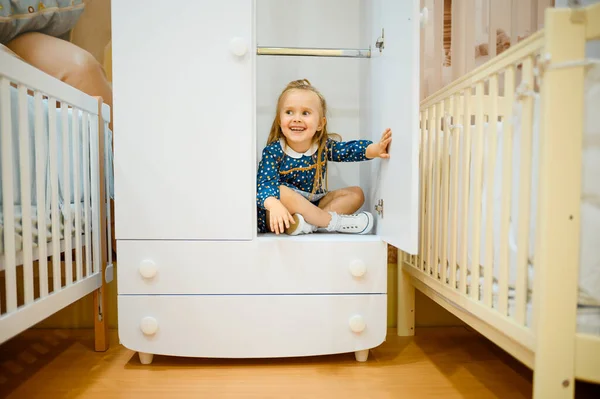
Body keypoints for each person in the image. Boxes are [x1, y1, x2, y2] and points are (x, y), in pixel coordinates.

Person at [256, 79, 392, 236]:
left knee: (356, 194)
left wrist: (375, 149)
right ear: (280, 121)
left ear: (320, 124)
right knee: (281, 191)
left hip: (312, 205)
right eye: (289, 112)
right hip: (280, 212)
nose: (297, 118)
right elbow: (264, 185)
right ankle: (333, 222)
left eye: (305, 113)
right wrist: (273, 205)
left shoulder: (322, 146)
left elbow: (348, 150)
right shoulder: (273, 151)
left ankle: (310, 225)